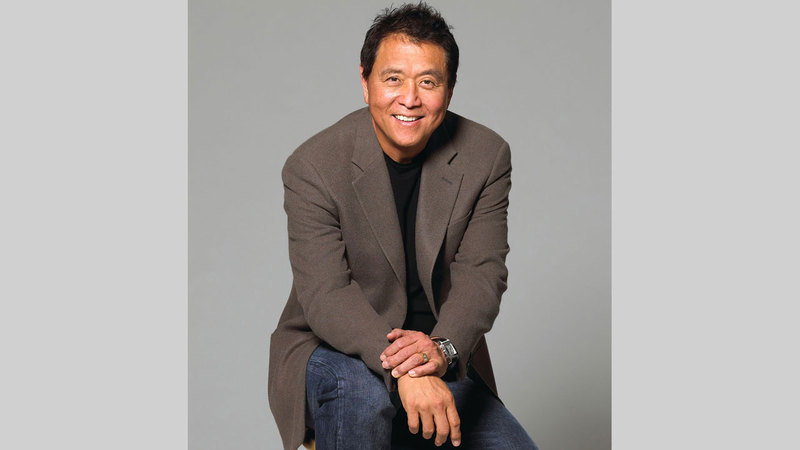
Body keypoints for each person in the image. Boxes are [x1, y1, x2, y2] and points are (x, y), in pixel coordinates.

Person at [268, 3, 538, 449]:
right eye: (393, 78)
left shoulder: (486, 156)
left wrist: (440, 350)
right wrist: (405, 370)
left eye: (427, 82)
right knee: (361, 396)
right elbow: (327, 294)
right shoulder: (313, 166)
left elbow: (482, 273)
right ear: (365, 82)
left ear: (449, 89)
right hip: (335, 350)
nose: (409, 98)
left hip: (437, 352)